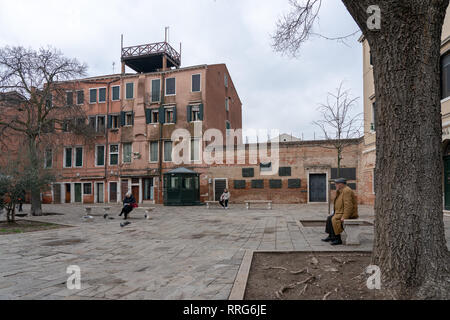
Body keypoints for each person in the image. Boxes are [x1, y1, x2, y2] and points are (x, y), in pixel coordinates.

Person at [322, 178, 359, 245]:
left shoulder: (347, 191)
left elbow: (348, 205)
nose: (335, 185)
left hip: (348, 213)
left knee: (334, 219)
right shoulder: (341, 190)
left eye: (336, 184)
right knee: (329, 218)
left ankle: (337, 239)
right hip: (340, 211)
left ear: (341, 184)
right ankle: (331, 236)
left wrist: (345, 216)